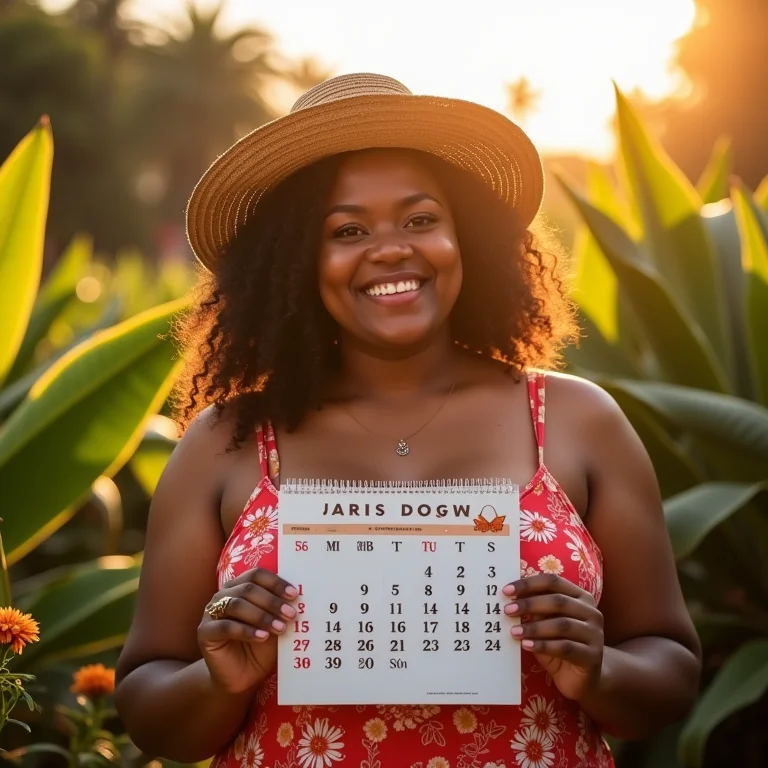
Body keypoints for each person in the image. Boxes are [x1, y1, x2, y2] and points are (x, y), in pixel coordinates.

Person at [115, 73, 701, 767]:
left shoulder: (578, 421)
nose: (391, 247)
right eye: (347, 229)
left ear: (466, 238)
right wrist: (219, 680)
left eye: (421, 219)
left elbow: (670, 666)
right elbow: (148, 706)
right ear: (296, 260)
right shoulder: (226, 441)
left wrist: (600, 668)